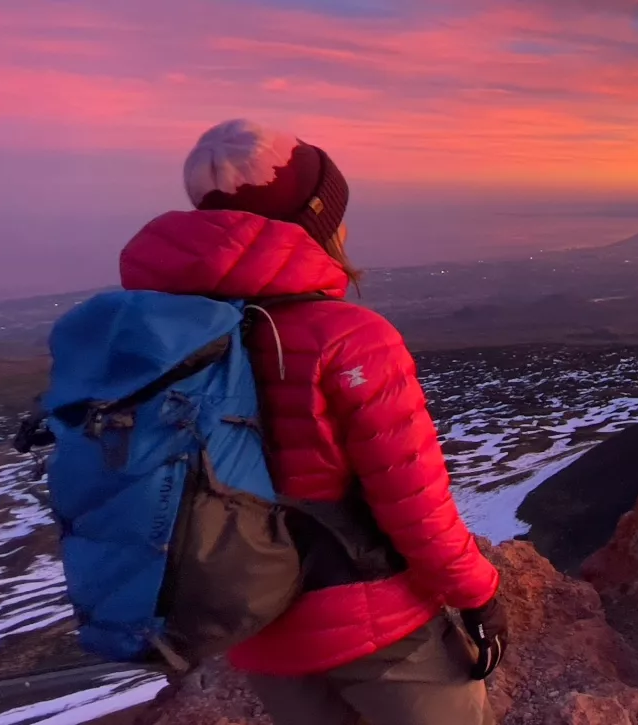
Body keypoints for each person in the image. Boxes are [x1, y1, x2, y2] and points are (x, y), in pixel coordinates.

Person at [118, 119, 507, 725]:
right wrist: (479, 597)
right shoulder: (347, 338)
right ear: (316, 223)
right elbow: (414, 505)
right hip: (374, 626)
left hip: (255, 625)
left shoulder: (157, 338)